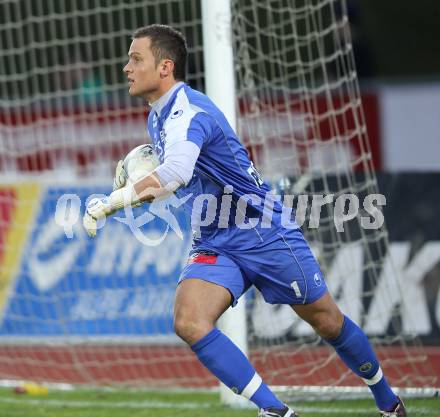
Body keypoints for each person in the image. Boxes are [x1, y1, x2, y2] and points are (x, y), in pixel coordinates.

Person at [82, 24, 407, 417]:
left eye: (136, 59)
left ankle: (388, 401)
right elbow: (175, 177)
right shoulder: (159, 116)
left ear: (165, 67)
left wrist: (113, 202)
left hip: (264, 232)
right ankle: (275, 410)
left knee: (328, 322)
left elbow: (175, 173)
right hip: (216, 238)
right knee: (189, 320)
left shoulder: (190, 112)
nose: (126, 68)